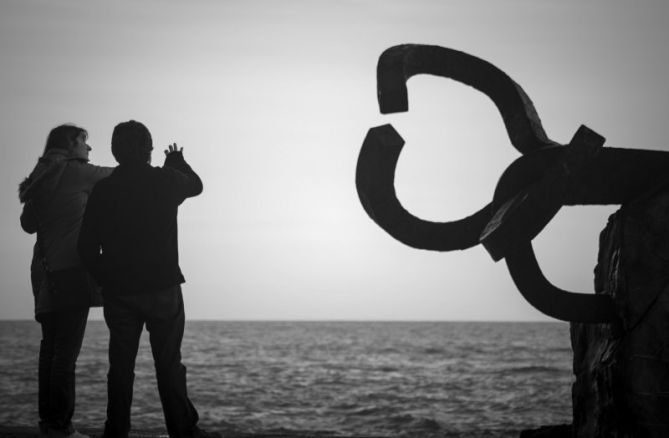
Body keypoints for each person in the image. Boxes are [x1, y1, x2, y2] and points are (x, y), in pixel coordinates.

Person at [77, 120, 217, 438]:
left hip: (120, 292)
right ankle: (183, 430)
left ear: (115, 152)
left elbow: (86, 246)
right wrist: (178, 162)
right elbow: (195, 185)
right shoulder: (166, 180)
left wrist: (105, 278)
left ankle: (116, 431)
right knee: (168, 365)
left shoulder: (104, 189)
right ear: (147, 149)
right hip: (163, 288)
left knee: (121, 368)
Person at [19, 124, 113, 438]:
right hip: (72, 270)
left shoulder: (40, 177)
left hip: (44, 274)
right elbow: (122, 174)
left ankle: (48, 424)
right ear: (71, 144)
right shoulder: (77, 171)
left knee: (49, 350)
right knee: (65, 354)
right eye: (85, 142)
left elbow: (27, 224)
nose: (89, 149)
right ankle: (60, 427)